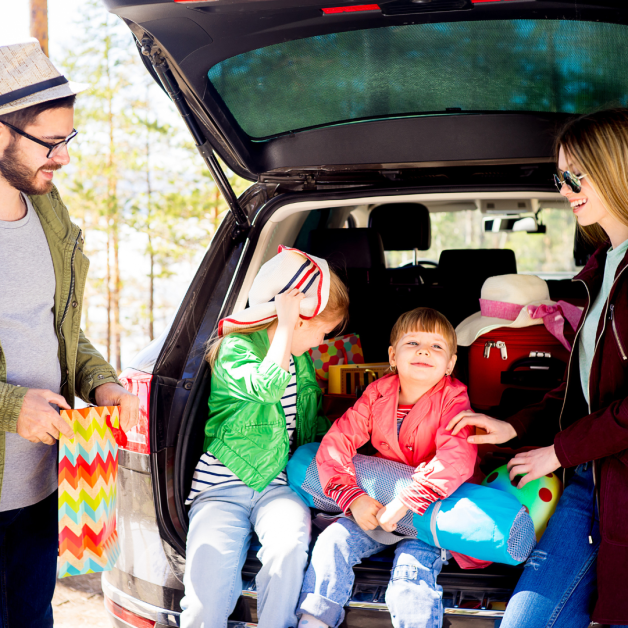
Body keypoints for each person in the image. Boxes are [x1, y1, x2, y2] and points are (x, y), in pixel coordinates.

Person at [447, 108, 628, 628]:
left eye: (577, 174)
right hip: (586, 483)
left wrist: (558, 451)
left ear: (616, 168)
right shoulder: (599, 269)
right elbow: (585, 389)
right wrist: (518, 427)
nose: (566, 188)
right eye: (561, 176)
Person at [0, 40, 139, 627]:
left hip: (37, 491)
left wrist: (103, 385)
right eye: (50, 143)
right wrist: (11, 407)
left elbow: (62, 329)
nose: (61, 158)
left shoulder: (48, 210)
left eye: (67, 140)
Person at [180, 246, 349, 628]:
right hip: (219, 490)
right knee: (205, 603)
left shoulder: (302, 360)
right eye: (322, 330)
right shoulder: (234, 350)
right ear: (300, 318)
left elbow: (307, 424)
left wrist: (354, 436)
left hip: (278, 486)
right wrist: (285, 327)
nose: (323, 342)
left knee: (289, 549)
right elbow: (266, 388)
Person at [297, 307, 478, 628]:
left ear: (450, 364)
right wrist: (351, 496)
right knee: (331, 543)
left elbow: (456, 458)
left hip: (427, 512)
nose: (424, 350)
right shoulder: (377, 392)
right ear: (393, 356)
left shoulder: (454, 399)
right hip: (377, 503)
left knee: (411, 570)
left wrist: (408, 501)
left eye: (437, 346)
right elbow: (338, 441)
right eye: (413, 343)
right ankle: (315, 621)